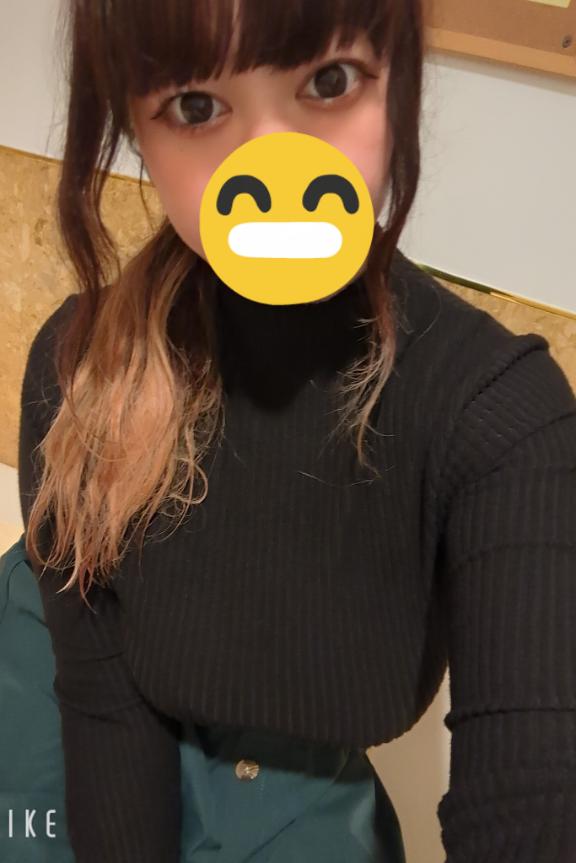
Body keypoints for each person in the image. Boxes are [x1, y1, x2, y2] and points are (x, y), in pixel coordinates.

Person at [17, 0, 576, 861]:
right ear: (132, 127)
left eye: (330, 80)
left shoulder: (503, 418)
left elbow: (536, 796)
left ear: (400, 85)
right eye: (195, 105)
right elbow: (103, 707)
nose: (271, 166)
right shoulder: (78, 375)